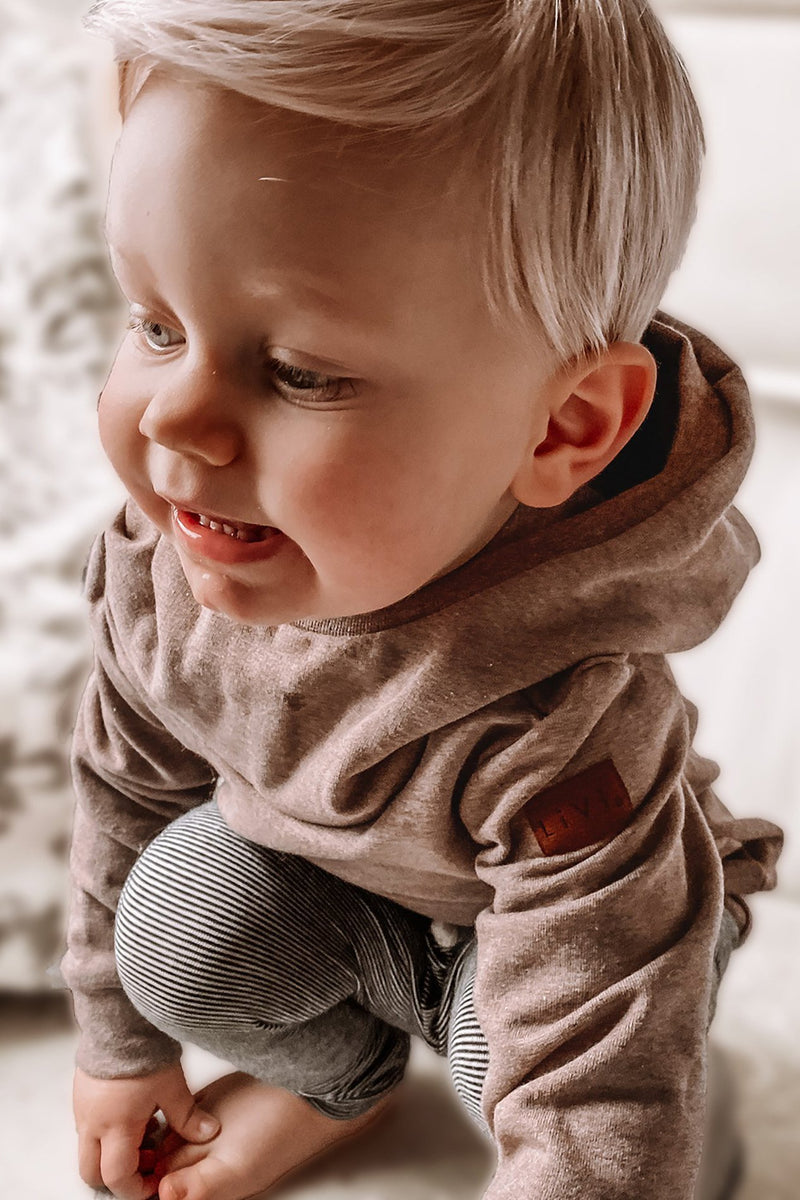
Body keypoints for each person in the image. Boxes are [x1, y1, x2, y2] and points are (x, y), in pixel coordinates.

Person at [62, 3, 783, 1199]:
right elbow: (126, 781)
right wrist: (117, 1046)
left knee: (517, 1056)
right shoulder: (163, 569)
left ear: (560, 427)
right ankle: (335, 1083)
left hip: (590, 947)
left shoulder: (561, 720)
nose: (170, 421)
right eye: (155, 323)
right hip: (346, 899)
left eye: (299, 372)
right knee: (177, 927)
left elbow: (596, 1046)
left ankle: (696, 1139)